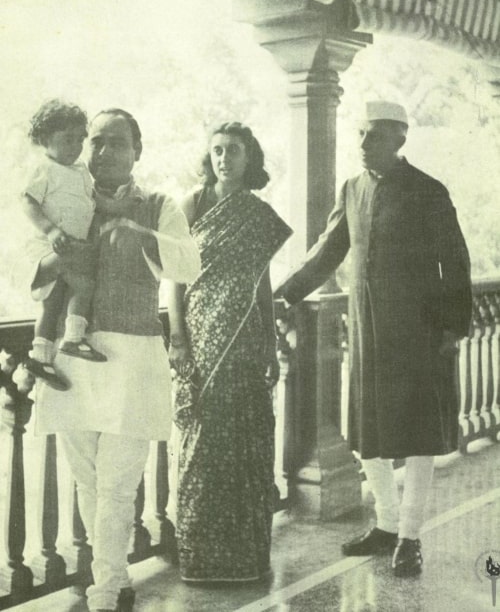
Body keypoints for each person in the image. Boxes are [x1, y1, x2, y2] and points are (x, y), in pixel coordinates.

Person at [274, 101, 472, 577]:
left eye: (374, 136)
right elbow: (326, 252)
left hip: (420, 332)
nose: (362, 144)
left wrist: (452, 329)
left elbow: (456, 262)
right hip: (367, 333)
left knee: (418, 435)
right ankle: (385, 524)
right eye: (360, 134)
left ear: (400, 139)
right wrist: (284, 294)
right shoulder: (353, 189)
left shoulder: (428, 191)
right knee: (370, 435)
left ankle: (410, 536)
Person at [34, 108, 201, 612]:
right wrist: (55, 253)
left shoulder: (158, 205)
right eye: (96, 142)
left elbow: (189, 263)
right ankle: (115, 577)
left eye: (117, 143)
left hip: (132, 359)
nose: (104, 152)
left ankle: (104, 595)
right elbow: (33, 271)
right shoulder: (66, 202)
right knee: (88, 481)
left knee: (116, 485)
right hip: (72, 358)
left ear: (137, 152)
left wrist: (143, 236)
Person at [167, 122, 292, 582]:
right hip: (200, 339)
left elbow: (261, 282)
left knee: (246, 444)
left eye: (233, 151)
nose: (223, 158)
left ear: (249, 157)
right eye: (217, 151)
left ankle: (245, 558)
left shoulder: (258, 215)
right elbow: (174, 278)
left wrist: (271, 342)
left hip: (245, 343)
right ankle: (200, 557)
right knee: (201, 443)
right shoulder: (191, 205)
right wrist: (178, 338)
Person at [22, 100, 106, 390]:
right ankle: (73, 339)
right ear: (45, 139)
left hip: (73, 246)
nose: (75, 146)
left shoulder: (81, 170)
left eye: (79, 139)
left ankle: (40, 356)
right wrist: (51, 229)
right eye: (66, 139)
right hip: (52, 245)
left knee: (54, 302)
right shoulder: (44, 168)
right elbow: (28, 201)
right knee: (84, 286)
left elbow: (93, 202)